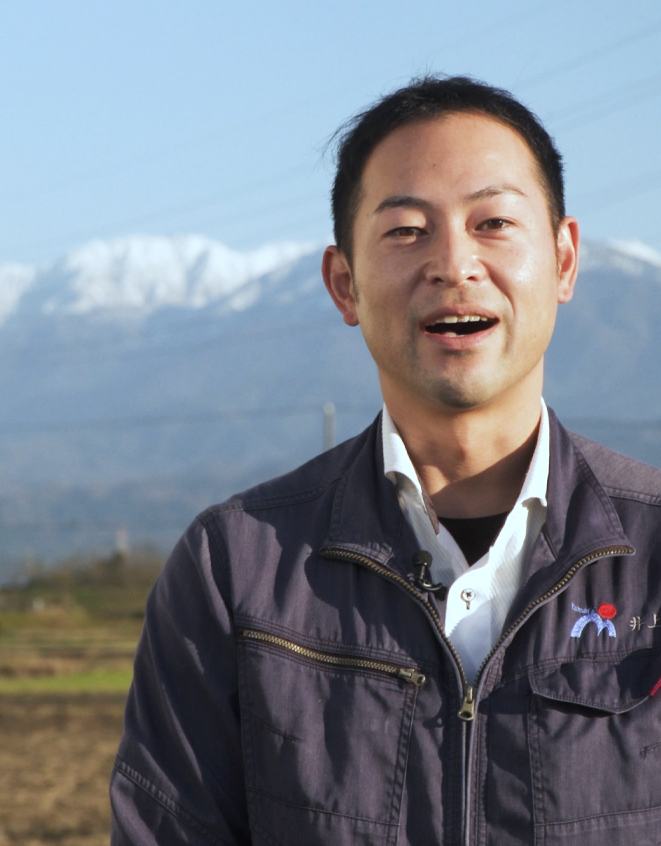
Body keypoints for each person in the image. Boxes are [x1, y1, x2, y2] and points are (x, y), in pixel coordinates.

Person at [110, 76, 661, 845]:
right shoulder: (234, 571)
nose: (454, 263)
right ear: (345, 284)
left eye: (494, 222)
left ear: (565, 261)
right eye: (406, 232)